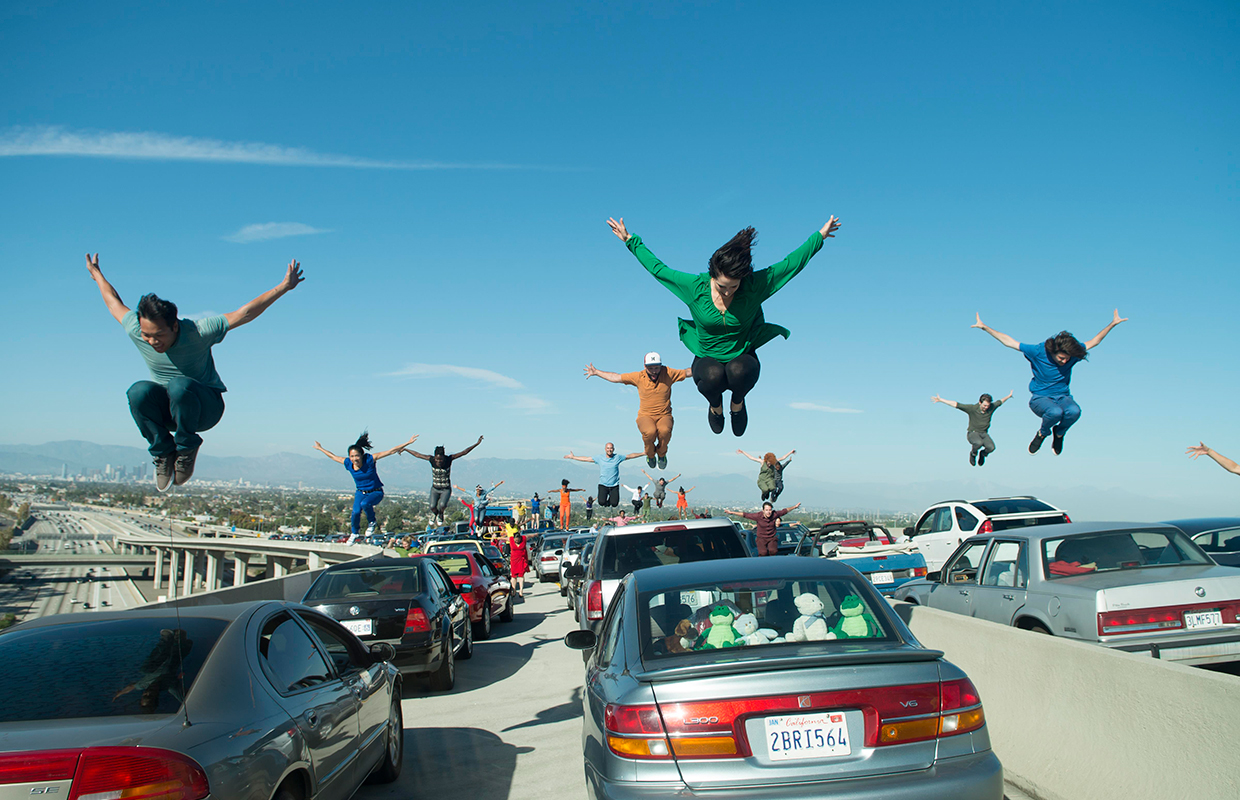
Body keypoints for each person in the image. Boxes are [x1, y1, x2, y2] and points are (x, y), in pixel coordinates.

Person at [608, 214, 841, 436]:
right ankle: (715, 406)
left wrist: (819, 236)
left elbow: (791, 265)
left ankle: (737, 403)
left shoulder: (753, 287)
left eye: (734, 286)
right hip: (706, 356)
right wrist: (631, 241)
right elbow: (658, 270)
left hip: (742, 353)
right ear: (712, 276)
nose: (728, 292)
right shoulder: (694, 288)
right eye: (722, 287)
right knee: (712, 374)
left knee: (737, 371)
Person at [86, 253, 304, 490]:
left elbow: (245, 313)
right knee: (137, 391)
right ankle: (164, 454)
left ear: (175, 326)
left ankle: (187, 449)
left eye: (159, 335)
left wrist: (284, 287)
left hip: (205, 408)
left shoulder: (198, 332)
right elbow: (112, 302)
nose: (152, 341)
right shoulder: (136, 329)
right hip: (171, 411)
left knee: (180, 385)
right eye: (147, 335)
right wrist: (97, 274)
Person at [973, 311, 1127, 455]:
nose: (1064, 361)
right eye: (1061, 358)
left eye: (1067, 358)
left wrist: (1112, 324)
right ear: (1053, 352)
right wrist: (985, 328)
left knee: (1074, 411)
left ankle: (1059, 433)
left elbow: (1095, 341)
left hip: (1063, 396)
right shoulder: (1038, 351)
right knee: (1055, 412)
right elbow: (1010, 342)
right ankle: (1042, 433)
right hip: (1040, 398)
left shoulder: (1072, 355)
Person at [584, 353, 690, 469]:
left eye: (656, 368)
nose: (654, 371)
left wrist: (708, 365)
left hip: (664, 415)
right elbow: (617, 377)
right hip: (645, 416)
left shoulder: (668, 373)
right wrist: (597, 372)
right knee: (650, 432)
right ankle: (650, 455)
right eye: (651, 368)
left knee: (664, 430)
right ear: (645, 367)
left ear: (661, 366)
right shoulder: (639, 377)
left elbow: (688, 372)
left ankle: (661, 455)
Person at [314, 432, 417, 538]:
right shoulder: (348, 463)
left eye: (357, 456)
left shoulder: (370, 460)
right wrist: (320, 448)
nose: (354, 459)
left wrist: (408, 443)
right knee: (355, 512)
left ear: (362, 455)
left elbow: (391, 451)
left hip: (376, 492)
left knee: (365, 504)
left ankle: (372, 522)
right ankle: (354, 533)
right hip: (360, 492)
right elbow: (332, 456)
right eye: (352, 456)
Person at [402, 436, 484, 524]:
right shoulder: (431, 460)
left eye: (441, 459)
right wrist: (406, 449)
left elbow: (464, 452)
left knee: (442, 505)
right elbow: (417, 455)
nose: (439, 461)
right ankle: (435, 514)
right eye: (437, 459)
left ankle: (441, 514)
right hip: (435, 489)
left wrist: (476, 443)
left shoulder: (449, 459)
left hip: (446, 489)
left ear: (444, 457)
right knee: (432, 506)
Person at [932, 392, 1014, 466]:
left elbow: (1000, 402)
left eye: (987, 406)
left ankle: (982, 454)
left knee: (991, 447)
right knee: (978, 443)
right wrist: (941, 400)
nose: (986, 407)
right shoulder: (972, 408)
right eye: (984, 405)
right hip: (973, 433)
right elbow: (956, 404)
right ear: (980, 403)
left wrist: (1008, 396)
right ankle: (973, 454)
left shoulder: (991, 407)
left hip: (984, 434)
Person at [565, 443, 644, 508]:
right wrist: (573, 457)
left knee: (614, 504)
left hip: (614, 486)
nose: (609, 450)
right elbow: (587, 459)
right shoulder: (600, 458)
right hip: (603, 485)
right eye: (608, 448)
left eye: (611, 448)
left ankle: (610, 500)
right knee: (601, 502)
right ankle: (606, 502)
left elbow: (630, 456)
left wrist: (643, 453)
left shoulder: (617, 457)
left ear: (613, 449)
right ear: (605, 449)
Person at [725, 501, 802, 556]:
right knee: (763, 552)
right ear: (763, 510)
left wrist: (794, 507)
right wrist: (732, 513)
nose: (769, 512)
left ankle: (772, 564)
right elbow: (745, 515)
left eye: (770, 510)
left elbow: (784, 511)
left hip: (772, 538)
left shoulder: (775, 514)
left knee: (773, 551)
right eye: (767, 510)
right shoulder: (758, 516)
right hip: (761, 538)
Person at [508, 530, 529, 598]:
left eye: (518, 539)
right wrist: (496, 537)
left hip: (521, 560)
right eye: (515, 540)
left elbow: (530, 536)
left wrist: (536, 534)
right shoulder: (511, 540)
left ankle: (521, 591)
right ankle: (513, 591)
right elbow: (503, 538)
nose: (517, 541)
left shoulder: (523, 539)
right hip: (514, 561)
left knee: (521, 576)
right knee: (513, 576)